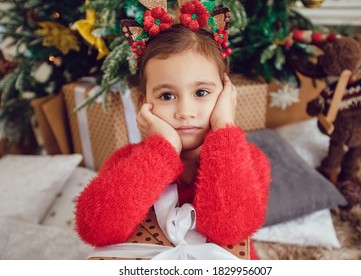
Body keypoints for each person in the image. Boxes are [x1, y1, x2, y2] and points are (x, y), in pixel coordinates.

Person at [75, 1, 270, 260]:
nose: (185, 111)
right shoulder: (128, 161)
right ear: (143, 103)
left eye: (201, 92)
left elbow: (228, 230)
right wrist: (163, 149)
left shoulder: (247, 159)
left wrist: (224, 128)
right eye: (167, 96)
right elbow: (95, 229)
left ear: (226, 95)